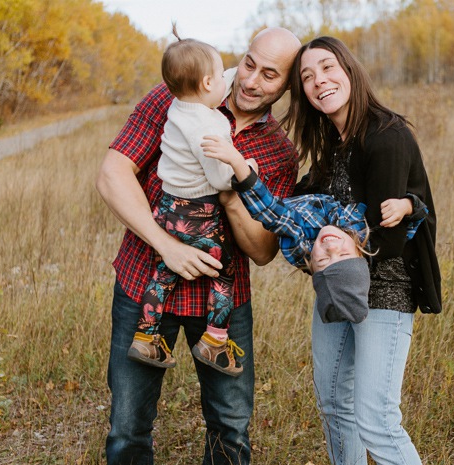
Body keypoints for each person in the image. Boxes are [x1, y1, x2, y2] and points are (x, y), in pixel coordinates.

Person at [96, 27, 302, 465]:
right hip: (145, 281)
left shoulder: (279, 152)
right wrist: (165, 244)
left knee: (230, 428)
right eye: (249, 63)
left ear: (287, 86)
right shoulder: (178, 95)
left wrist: (231, 191)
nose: (250, 81)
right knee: (128, 427)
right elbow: (112, 175)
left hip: (222, 304)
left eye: (269, 75)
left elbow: (263, 250)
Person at [283, 36, 442, 465]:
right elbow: (300, 213)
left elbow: (389, 238)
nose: (320, 81)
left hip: (385, 290)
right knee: (336, 406)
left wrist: (332, 243)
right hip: (336, 285)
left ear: (350, 70)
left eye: (328, 67)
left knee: (376, 419)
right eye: (308, 76)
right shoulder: (333, 146)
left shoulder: (386, 136)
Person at [127, 28, 255, 377]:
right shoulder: (210, 125)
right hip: (198, 214)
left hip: (166, 210)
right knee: (224, 269)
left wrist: (233, 71)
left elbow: (219, 79)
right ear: (208, 82)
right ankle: (214, 340)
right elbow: (218, 180)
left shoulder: (178, 104)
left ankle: (146, 334)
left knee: (164, 272)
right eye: (221, 73)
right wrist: (246, 166)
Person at [201, 135, 428, 325]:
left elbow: (269, 211)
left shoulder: (301, 238)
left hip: (271, 191)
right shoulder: (366, 234)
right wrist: (406, 206)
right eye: (343, 254)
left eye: (323, 260)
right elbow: (415, 223)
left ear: (311, 265)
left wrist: (238, 163)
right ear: (360, 252)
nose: (331, 247)